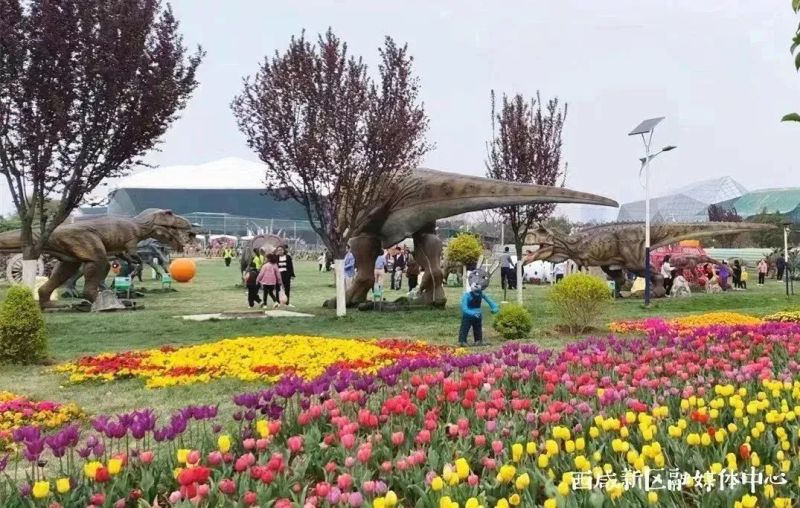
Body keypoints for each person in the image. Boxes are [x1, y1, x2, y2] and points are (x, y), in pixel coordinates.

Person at [458, 269, 499, 347]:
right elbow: (464, 308)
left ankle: (478, 340)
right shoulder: (467, 295)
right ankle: (462, 341)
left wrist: (494, 307)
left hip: (478, 314)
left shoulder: (481, 294)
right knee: (465, 328)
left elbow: (489, 300)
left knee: (478, 328)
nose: (477, 284)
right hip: (468, 315)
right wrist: (472, 313)